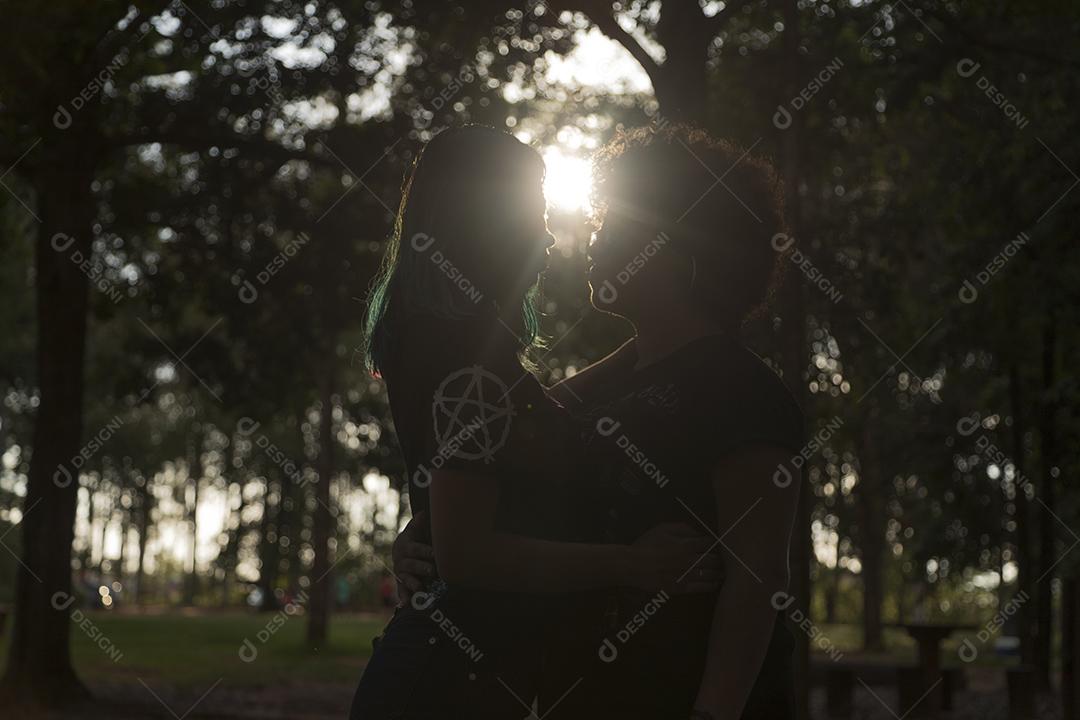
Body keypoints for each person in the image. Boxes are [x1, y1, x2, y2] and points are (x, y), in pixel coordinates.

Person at [394, 124, 804, 720]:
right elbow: (492, 477)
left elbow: (758, 576)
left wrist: (714, 711)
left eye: (610, 222)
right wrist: (422, 535)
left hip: (679, 693)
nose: (586, 237)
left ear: (674, 248)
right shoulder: (595, 388)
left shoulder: (743, 394)